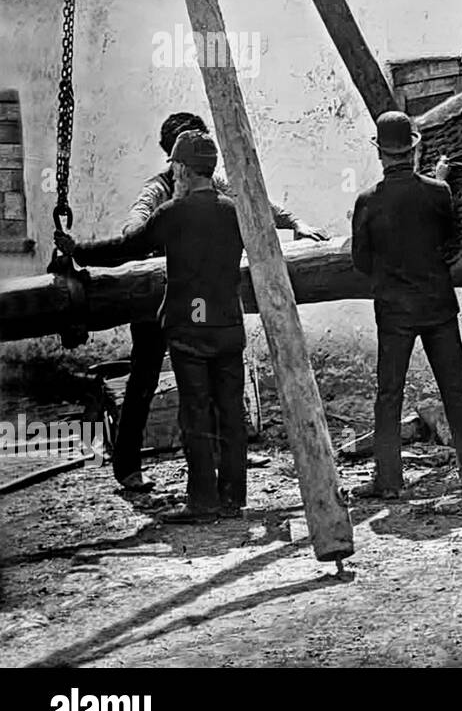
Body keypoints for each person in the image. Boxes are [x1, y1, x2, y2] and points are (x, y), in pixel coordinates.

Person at [111, 111, 326, 493]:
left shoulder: (214, 185)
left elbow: (253, 203)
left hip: (198, 302)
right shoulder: (158, 190)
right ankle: (128, 465)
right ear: (173, 159)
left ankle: (228, 460)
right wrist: (156, 242)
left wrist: (295, 223)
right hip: (160, 298)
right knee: (143, 377)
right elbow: (135, 227)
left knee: (217, 376)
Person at [57, 131, 249, 523]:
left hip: (189, 330)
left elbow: (126, 248)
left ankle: (203, 501)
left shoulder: (172, 214)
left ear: (180, 169)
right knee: (229, 412)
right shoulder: (234, 211)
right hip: (228, 326)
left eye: (175, 169)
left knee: (194, 414)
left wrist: (78, 250)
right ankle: (233, 498)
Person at [351, 110, 462, 497]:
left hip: (394, 310)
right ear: (414, 148)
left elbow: (360, 261)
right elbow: (449, 237)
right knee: (455, 388)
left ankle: (390, 480)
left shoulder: (367, 202)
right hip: (438, 305)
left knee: (389, 393)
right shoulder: (438, 192)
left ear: (380, 153)